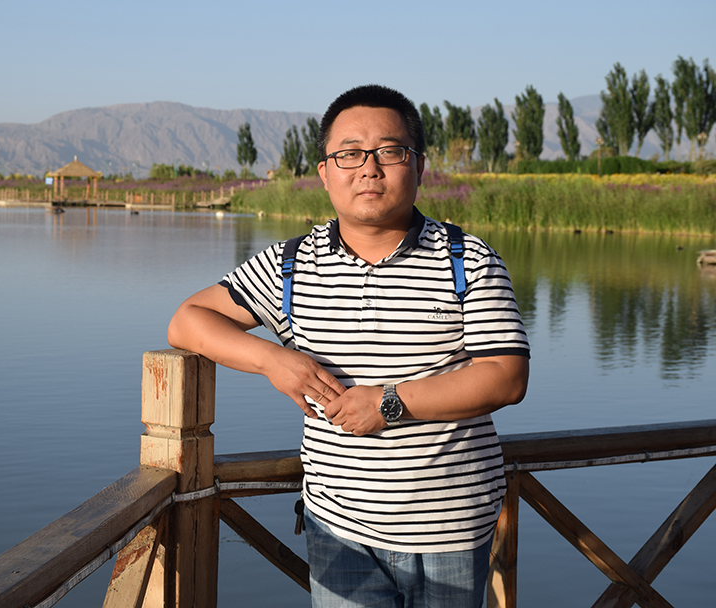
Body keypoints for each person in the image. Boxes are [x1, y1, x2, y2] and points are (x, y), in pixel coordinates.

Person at [168, 84, 530, 608]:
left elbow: (506, 376)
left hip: (449, 527)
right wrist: (272, 359)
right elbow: (187, 321)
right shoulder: (291, 265)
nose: (369, 169)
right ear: (324, 172)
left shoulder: (467, 259)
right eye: (349, 154)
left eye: (390, 151)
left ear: (419, 166)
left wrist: (388, 403)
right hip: (338, 529)